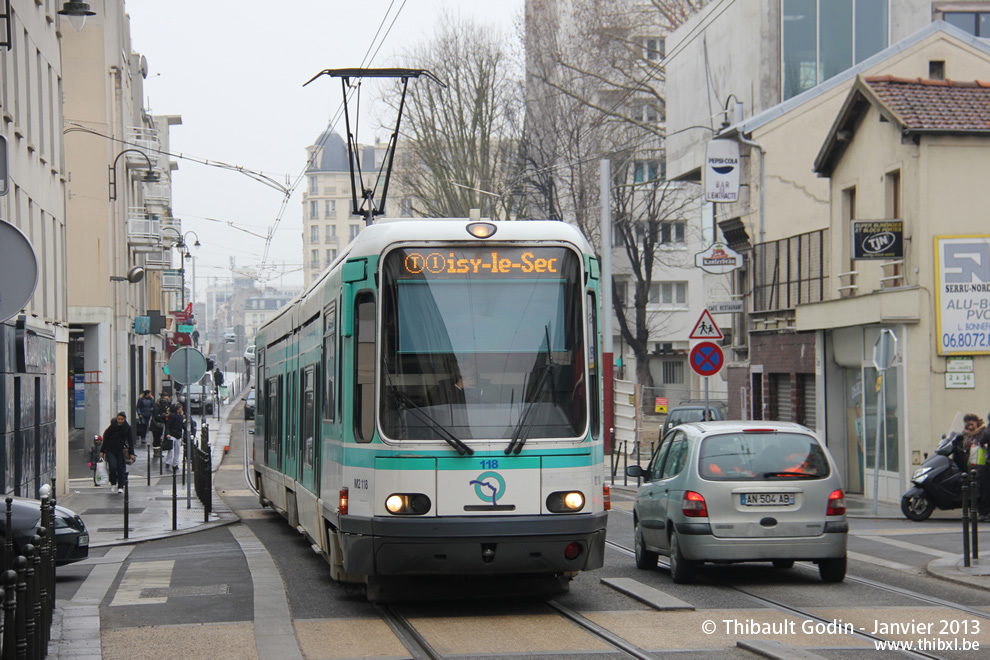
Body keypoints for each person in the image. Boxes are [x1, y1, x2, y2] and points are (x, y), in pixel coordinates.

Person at [962, 413, 990, 521]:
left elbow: (983, 439)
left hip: (981, 462)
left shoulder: (984, 430)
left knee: (983, 487)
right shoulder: (967, 433)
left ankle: (983, 512)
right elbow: (965, 444)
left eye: (972, 424)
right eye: (968, 425)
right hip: (973, 462)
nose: (970, 427)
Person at [101, 412, 135, 494]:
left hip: (121, 450)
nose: (120, 421)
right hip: (110, 450)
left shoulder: (127, 428)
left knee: (121, 468)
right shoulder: (112, 427)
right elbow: (106, 439)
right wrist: (102, 450)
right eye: (119, 419)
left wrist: (131, 453)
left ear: (124, 419)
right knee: (112, 467)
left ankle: (120, 486)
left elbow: (130, 441)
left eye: (122, 419)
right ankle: (113, 482)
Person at [163, 402, 186, 471]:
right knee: (172, 449)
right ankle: (169, 462)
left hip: (177, 434)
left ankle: (175, 463)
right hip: (173, 434)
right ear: (179, 408)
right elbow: (168, 425)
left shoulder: (180, 416)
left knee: (176, 450)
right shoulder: (173, 416)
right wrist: (168, 433)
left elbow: (181, 425)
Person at [150, 391, 171, 456]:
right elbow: (156, 416)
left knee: (160, 438)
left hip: (161, 425)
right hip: (156, 425)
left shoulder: (165, 406)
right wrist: (164, 415)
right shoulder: (156, 406)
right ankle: (156, 452)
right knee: (156, 438)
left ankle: (159, 451)